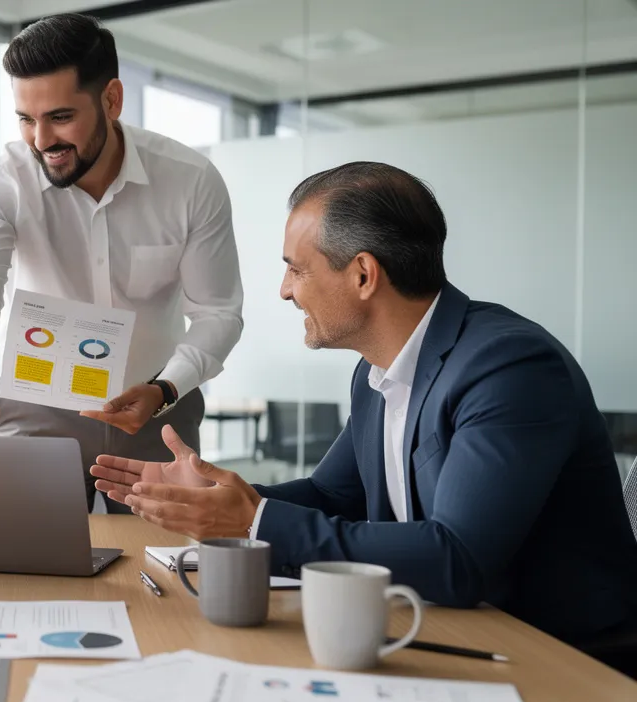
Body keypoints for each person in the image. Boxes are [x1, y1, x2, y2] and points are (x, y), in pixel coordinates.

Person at [91, 161, 637, 645]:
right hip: (446, 626)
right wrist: (216, 496)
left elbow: (459, 558)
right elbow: (334, 494)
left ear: (363, 274)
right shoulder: (376, 371)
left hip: (558, 654)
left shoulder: (508, 367)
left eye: (296, 269)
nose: (285, 290)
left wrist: (252, 521)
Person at [0, 13, 244, 515]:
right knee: (26, 561)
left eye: (60, 117)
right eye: (26, 119)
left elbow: (218, 312)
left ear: (111, 100)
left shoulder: (190, 181)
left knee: (162, 566)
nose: (42, 140)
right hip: (38, 407)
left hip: (158, 408)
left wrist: (163, 389)